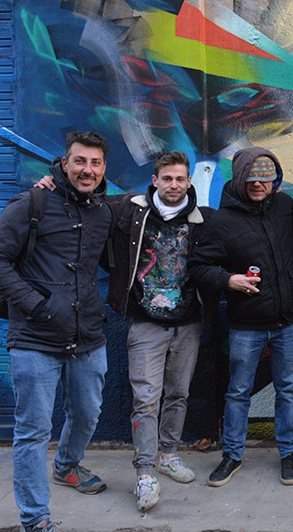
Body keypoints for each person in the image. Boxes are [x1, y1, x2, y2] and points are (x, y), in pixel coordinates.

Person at [0, 131, 114, 532]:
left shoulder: (105, 211)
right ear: (65, 163)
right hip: (34, 338)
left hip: (87, 336)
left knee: (88, 414)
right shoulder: (31, 203)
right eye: (80, 161)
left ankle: (67, 465)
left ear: (104, 168)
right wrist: (36, 305)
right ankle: (35, 519)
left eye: (95, 163)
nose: (87, 170)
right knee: (33, 430)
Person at [188, 147, 293, 488]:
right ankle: (232, 455)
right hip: (246, 325)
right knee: (238, 391)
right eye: (251, 178)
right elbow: (198, 267)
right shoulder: (222, 221)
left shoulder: (285, 207)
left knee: (288, 389)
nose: (258, 184)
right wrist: (229, 280)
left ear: (275, 180)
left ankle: (289, 453)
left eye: (265, 178)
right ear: (239, 178)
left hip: (288, 320)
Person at [106, 152, 217, 510]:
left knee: (179, 393)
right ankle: (144, 472)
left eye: (180, 179)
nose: (173, 185)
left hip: (188, 323)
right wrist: (50, 180)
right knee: (145, 398)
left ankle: (169, 454)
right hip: (145, 324)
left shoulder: (202, 220)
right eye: (166, 178)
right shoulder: (130, 211)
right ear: (154, 180)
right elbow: (87, 198)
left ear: (189, 181)